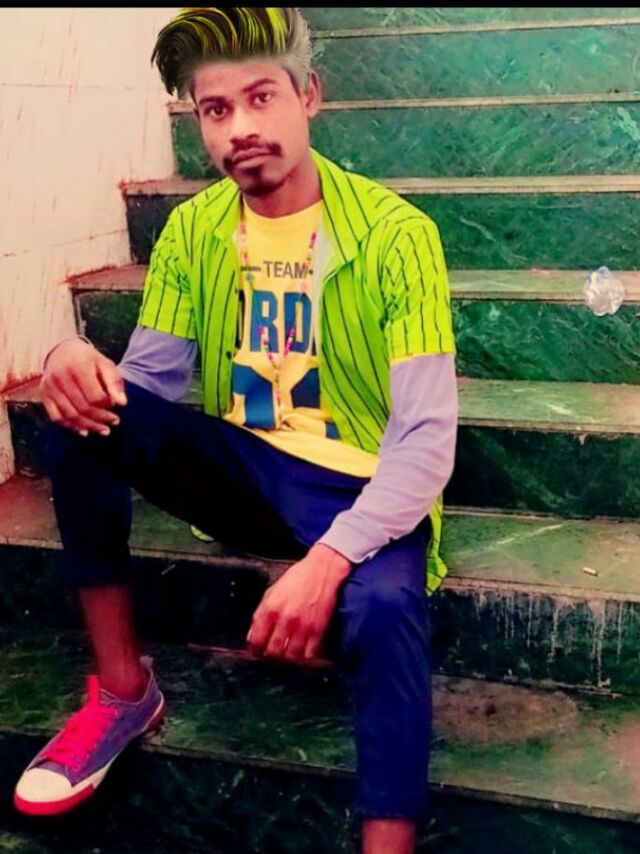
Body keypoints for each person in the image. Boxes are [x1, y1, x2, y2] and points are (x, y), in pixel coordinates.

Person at [14, 8, 457, 853]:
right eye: (216, 109)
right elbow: (145, 390)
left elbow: (427, 442)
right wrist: (71, 360)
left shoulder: (399, 237)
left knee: (385, 607)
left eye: (261, 98)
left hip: (362, 484)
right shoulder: (194, 230)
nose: (241, 128)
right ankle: (122, 692)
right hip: (249, 473)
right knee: (79, 420)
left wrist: (329, 562)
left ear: (309, 95)